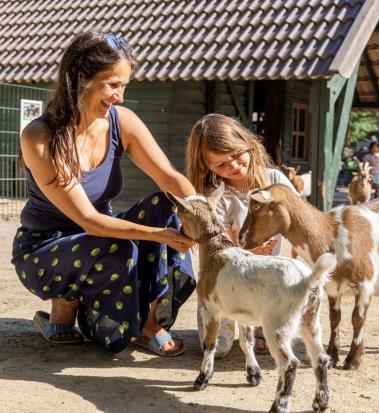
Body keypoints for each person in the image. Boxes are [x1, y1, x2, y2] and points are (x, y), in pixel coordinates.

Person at [12, 31, 196, 356]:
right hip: (46, 247)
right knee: (114, 241)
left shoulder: (121, 121)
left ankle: (147, 322)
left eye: (124, 85)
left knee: (169, 204)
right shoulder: (39, 136)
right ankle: (65, 310)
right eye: (112, 84)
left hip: (101, 238)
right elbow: (88, 220)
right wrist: (160, 236)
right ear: (79, 80)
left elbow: (169, 178)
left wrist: (204, 216)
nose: (120, 96)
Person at [185, 113, 298, 358]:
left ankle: (258, 325)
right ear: (209, 167)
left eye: (236, 156)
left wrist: (299, 244)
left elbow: (297, 219)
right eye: (222, 165)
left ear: (247, 144)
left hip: (265, 279)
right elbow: (223, 245)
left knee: (275, 336)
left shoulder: (275, 180)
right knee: (219, 348)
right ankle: (220, 316)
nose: (234, 167)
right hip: (228, 277)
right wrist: (247, 251)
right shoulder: (218, 194)